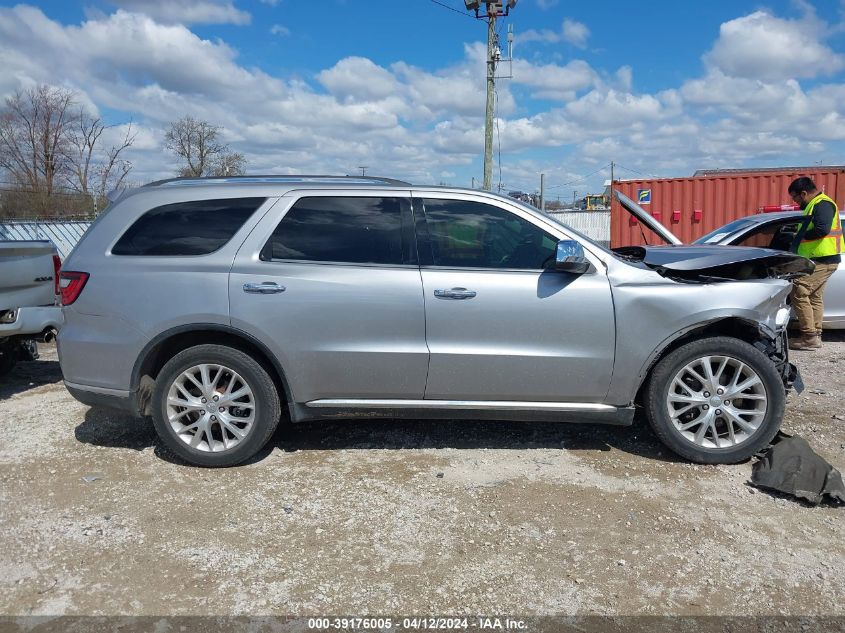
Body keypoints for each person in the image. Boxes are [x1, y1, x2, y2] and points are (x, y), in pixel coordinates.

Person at [787, 177, 843, 350]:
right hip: (821, 259)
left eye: (796, 198)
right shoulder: (816, 205)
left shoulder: (822, 204)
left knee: (799, 291)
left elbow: (821, 229)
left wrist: (800, 236)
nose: (796, 203)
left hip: (823, 260)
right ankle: (815, 335)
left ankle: (809, 337)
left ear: (804, 193)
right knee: (814, 297)